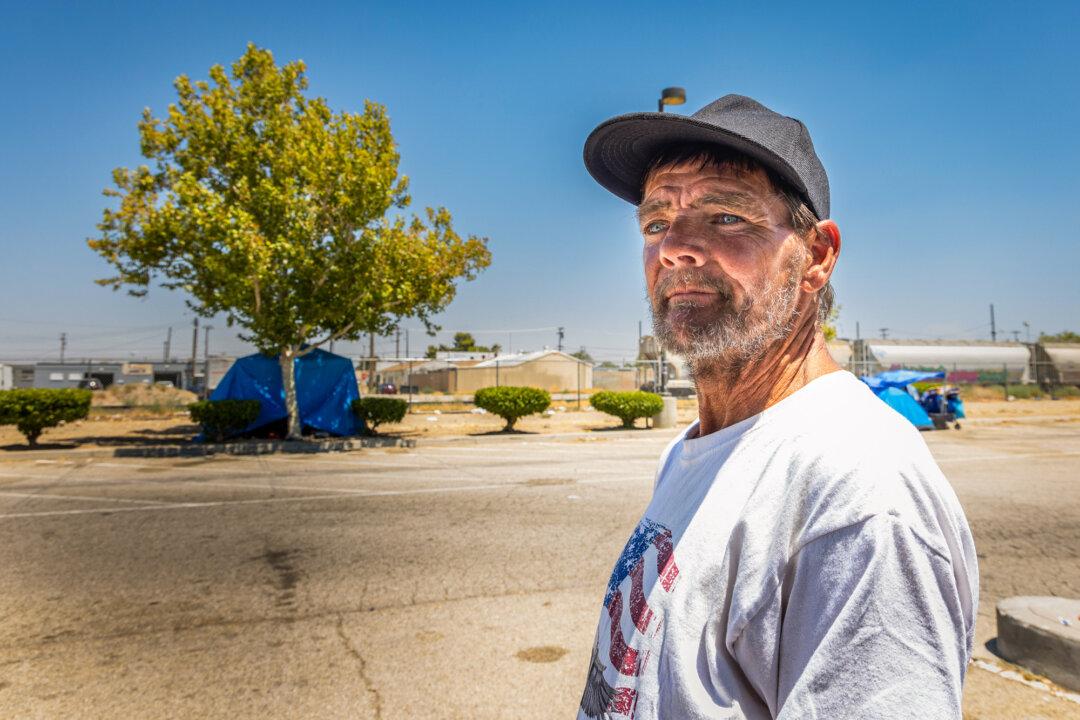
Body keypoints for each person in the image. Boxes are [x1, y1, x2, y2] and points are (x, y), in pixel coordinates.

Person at [576, 95, 978, 720]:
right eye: (655, 224)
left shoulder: (858, 492)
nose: (676, 248)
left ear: (816, 256)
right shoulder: (693, 450)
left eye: (727, 218)